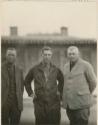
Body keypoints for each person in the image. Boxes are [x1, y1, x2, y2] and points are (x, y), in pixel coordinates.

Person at [24, 46, 64, 125]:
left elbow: (62, 81)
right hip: (39, 102)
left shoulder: (56, 69)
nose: (47, 57)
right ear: (42, 55)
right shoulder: (35, 69)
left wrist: (59, 92)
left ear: (51, 55)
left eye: (49, 55)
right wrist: (31, 93)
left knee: (54, 122)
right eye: (45, 55)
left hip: (54, 103)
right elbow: (26, 81)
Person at [62, 46, 97, 125]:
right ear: (67, 55)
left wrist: (85, 92)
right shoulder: (66, 66)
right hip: (70, 105)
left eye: (73, 54)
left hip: (82, 104)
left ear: (78, 54)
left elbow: (93, 82)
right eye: (69, 54)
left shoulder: (86, 65)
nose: (71, 56)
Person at [1, 48, 24, 125]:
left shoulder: (19, 70)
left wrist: (19, 98)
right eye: (9, 55)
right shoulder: (1, 68)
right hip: (3, 102)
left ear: (16, 57)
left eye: (13, 55)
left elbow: (21, 86)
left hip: (16, 103)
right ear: (6, 55)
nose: (11, 57)